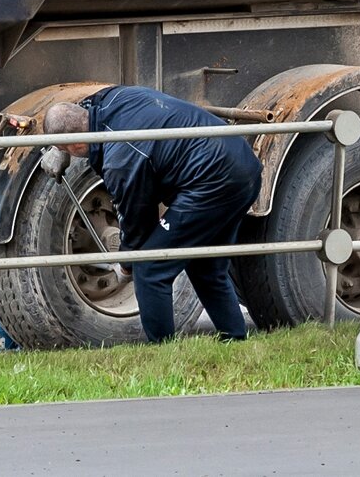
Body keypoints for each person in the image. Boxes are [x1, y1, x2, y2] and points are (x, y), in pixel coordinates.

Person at [42, 85, 263, 343]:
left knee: (150, 267)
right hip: (241, 163)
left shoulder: (121, 160)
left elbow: (139, 221)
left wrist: (125, 265)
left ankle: (162, 350)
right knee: (206, 265)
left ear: (75, 143)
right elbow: (82, 107)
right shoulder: (114, 98)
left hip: (214, 182)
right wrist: (59, 149)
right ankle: (235, 339)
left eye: (67, 148)